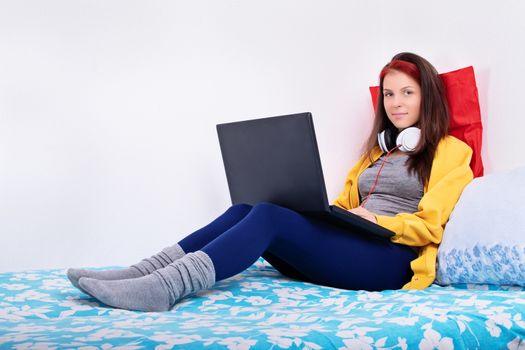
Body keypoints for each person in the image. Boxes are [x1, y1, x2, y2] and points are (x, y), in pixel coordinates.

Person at [67, 52, 473, 312]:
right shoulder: (377, 152)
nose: (396, 103)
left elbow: (429, 227)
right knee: (247, 209)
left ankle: (165, 289)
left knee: (269, 218)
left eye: (407, 92)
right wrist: (341, 215)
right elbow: (344, 204)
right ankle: (142, 273)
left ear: (428, 98)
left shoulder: (451, 152)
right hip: (355, 243)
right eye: (388, 94)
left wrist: (374, 221)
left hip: (391, 260)